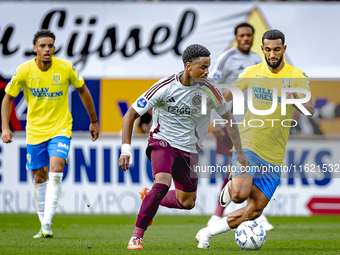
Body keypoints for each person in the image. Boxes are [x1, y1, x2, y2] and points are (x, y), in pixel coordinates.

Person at [118, 44, 249, 250]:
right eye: (203, 67)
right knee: (162, 182)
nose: (207, 72)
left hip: (189, 149)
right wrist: (126, 149)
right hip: (162, 141)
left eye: (208, 67)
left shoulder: (210, 91)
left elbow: (229, 119)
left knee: (187, 202)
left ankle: (149, 197)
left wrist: (239, 152)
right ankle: (137, 237)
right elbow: (131, 114)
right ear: (189, 66)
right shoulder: (165, 86)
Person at [196, 29, 315, 248]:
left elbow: (309, 109)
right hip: (249, 141)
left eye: (277, 49)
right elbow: (227, 94)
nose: (272, 54)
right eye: (268, 49)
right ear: (262, 49)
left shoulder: (297, 76)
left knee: (255, 209)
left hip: (275, 153)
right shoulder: (251, 72)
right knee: (240, 195)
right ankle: (232, 188)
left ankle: (207, 232)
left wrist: (291, 95)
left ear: (283, 49)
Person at [1, 29, 100, 238]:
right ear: (35, 49)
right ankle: (42, 221)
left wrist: (94, 121)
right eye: (43, 46)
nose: (47, 49)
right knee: (39, 177)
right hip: (35, 131)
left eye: (50, 46)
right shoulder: (24, 71)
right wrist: (5, 127)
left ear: (54, 48)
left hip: (60, 128)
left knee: (56, 168)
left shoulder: (65, 68)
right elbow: (7, 98)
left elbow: (83, 90)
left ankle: (47, 224)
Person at [207, 23, 273, 231]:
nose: (246, 38)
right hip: (231, 120)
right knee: (240, 165)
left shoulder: (258, 59)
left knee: (248, 165)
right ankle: (238, 213)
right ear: (236, 37)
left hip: (253, 121)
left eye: (249, 35)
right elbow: (213, 88)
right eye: (242, 35)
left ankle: (235, 213)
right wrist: (214, 119)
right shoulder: (226, 58)